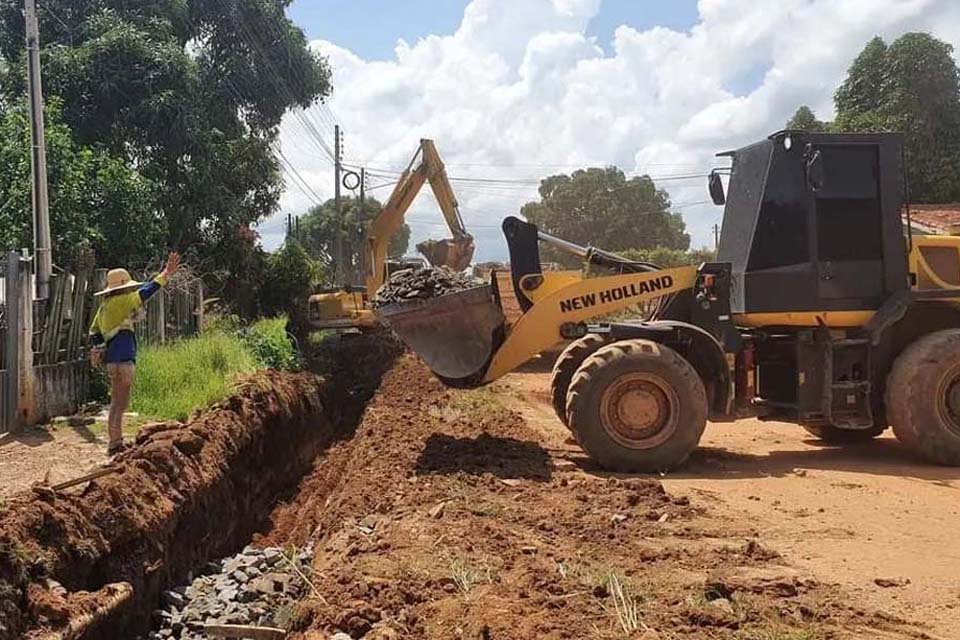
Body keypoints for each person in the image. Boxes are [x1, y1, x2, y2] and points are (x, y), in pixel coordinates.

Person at [89, 252, 180, 454]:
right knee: (121, 402)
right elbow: (148, 290)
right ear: (123, 286)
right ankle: (115, 444)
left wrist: (99, 347)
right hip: (125, 360)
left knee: (115, 402)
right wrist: (165, 273)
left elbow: (94, 332)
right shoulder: (124, 301)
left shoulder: (104, 307)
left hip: (112, 361)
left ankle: (116, 440)